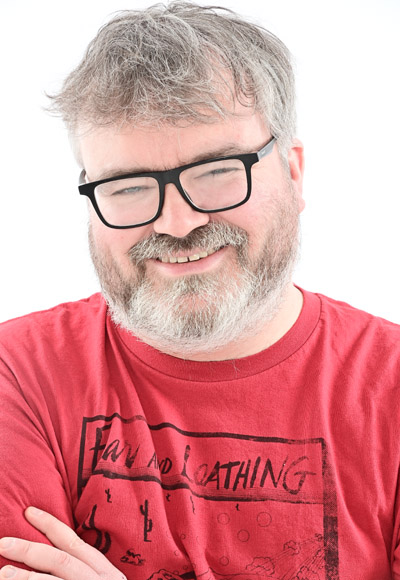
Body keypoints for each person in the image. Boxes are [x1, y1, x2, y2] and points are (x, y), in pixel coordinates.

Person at [0, 2, 399, 579]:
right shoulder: (17, 372)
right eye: (128, 186)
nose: (178, 223)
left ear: (292, 173)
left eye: (217, 172)